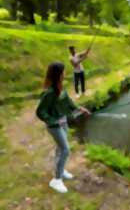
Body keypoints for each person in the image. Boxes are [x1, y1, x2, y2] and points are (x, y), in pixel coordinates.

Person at [36, 62, 91, 193]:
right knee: (65, 150)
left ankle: (60, 170)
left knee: (60, 149)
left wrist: (80, 109)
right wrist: (53, 121)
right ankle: (56, 180)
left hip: (63, 122)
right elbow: (40, 112)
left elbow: (68, 102)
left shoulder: (61, 88)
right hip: (55, 126)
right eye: (63, 71)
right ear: (58, 74)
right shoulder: (49, 93)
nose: (65, 73)